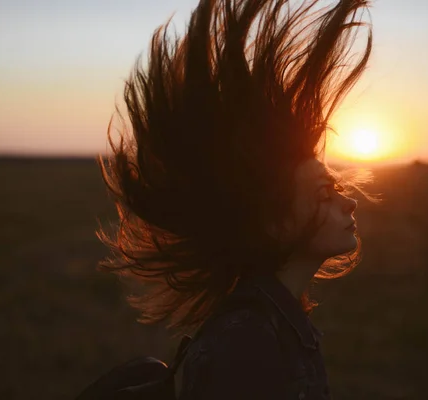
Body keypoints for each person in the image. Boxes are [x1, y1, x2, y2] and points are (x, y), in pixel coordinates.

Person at [95, 0, 377, 398]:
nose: (349, 204)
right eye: (323, 194)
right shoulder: (245, 345)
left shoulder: (277, 321)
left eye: (338, 190)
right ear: (272, 223)